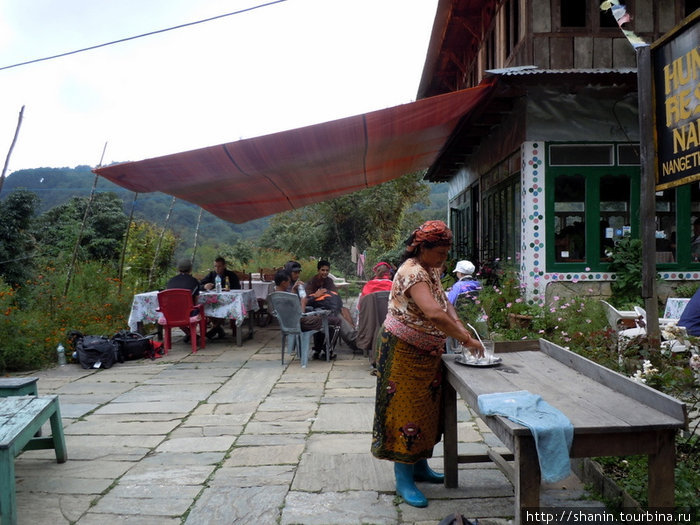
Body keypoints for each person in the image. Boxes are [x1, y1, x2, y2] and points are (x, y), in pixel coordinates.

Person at [371, 220, 483, 508]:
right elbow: (433, 313)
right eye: (441, 253)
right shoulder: (412, 272)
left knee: (426, 411)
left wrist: (462, 329)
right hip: (404, 353)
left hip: (427, 352)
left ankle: (419, 466)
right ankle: (403, 479)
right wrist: (466, 340)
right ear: (423, 248)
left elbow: (444, 303)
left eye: (447, 254)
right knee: (405, 411)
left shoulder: (431, 269)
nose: (444, 259)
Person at [199, 256, 241, 339]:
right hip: (213, 301)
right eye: (215, 266)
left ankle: (216, 328)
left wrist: (228, 289)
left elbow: (237, 288)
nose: (217, 269)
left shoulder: (231, 275)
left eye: (219, 266)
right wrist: (204, 286)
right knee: (206, 308)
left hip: (228, 302)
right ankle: (217, 328)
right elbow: (199, 285)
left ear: (224, 266)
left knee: (226, 309)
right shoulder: (211, 275)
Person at [166, 259, 201, 343]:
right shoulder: (194, 281)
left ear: (178, 269)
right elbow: (195, 301)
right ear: (190, 269)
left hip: (170, 313)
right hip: (187, 313)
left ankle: (189, 334)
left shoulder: (170, 281)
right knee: (196, 309)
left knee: (178, 312)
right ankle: (192, 334)